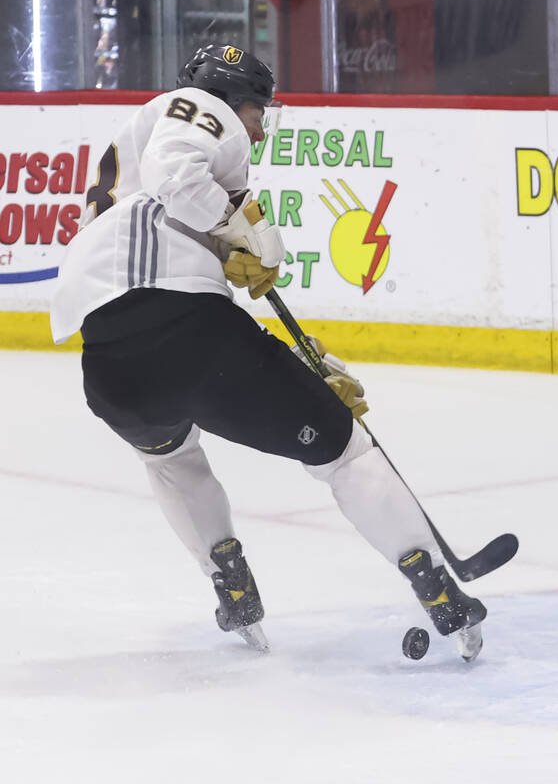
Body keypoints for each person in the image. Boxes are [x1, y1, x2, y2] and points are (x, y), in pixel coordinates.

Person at [49, 44, 486, 660]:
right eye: (257, 108)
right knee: (343, 449)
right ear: (230, 96)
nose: (258, 126)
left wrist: (234, 253)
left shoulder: (130, 175)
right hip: (186, 333)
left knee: (171, 458)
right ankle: (438, 587)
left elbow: (175, 224)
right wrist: (237, 228)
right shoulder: (198, 106)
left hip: (111, 371)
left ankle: (233, 588)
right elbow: (179, 177)